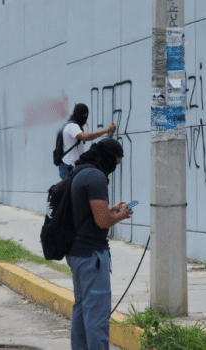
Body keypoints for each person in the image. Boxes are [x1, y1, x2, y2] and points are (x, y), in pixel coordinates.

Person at [66, 138, 132, 350]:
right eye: (116, 162)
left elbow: (87, 212)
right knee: (97, 313)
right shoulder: (96, 177)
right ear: (109, 158)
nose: (115, 167)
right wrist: (120, 216)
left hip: (76, 252)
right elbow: (102, 221)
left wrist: (110, 209)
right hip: (91, 255)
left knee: (82, 307)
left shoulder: (80, 171)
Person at [57, 103, 116, 179]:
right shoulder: (72, 126)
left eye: (86, 115)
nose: (85, 118)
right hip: (69, 167)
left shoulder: (73, 125)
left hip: (71, 166)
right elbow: (85, 137)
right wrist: (106, 130)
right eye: (83, 115)